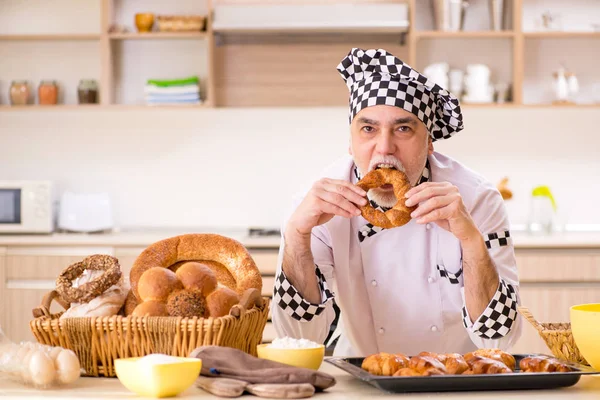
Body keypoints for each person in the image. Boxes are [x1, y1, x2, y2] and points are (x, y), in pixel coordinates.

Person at [271, 48, 521, 357]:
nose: (384, 148)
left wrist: (471, 241)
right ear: (350, 142)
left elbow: (500, 339)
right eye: (368, 129)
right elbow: (298, 336)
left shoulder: (477, 198)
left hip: (456, 378)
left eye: (403, 129)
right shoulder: (318, 206)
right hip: (362, 374)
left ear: (429, 141)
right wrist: (296, 236)